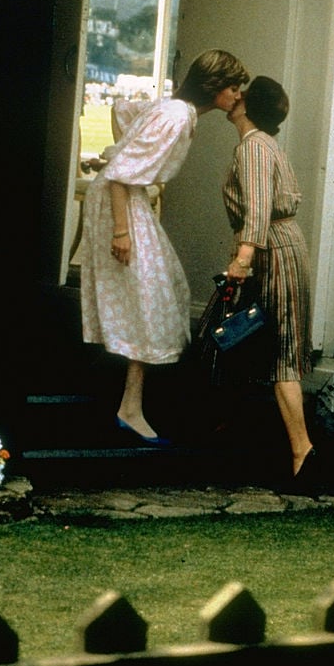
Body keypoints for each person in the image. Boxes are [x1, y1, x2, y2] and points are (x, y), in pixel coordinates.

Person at [81, 49, 250, 446]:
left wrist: (137, 169)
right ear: (213, 88)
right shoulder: (175, 116)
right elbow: (122, 173)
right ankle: (129, 408)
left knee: (163, 291)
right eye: (232, 87)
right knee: (151, 296)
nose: (237, 95)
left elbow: (122, 111)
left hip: (125, 199)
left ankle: (130, 405)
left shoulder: (175, 110)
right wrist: (122, 231)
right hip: (118, 203)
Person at [222, 75, 316, 482]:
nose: (233, 97)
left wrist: (243, 258)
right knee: (272, 346)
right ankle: (283, 449)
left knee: (282, 350)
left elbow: (258, 209)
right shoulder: (261, 144)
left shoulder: (254, 147)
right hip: (278, 244)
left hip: (272, 248)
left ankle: (303, 453)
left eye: (240, 94)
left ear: (246, 105)